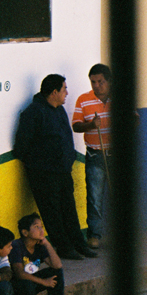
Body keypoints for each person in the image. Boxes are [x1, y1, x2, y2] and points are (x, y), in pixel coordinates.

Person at [14, 74, 96, 260]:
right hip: (44, 173)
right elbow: (21, 147)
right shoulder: (33, 113)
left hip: (63, 171)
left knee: (69, 209)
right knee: (52, 213)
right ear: (54, 92)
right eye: (64, 89)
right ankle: (64, 248)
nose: (67, 93)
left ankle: (78, 244)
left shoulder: (59, 110)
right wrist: (40, 164)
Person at [72, 64, 112, 249]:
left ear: (108, 81)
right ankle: (95, 235)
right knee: (95, 197)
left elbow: (134, 121)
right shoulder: (83, 99)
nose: (96, 85)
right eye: (93, 82)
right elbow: (76, 126)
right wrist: (90, 125)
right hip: (95, 154)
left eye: (100, 82)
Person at [9, 213, 68, 295]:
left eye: (41, 227)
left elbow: (57, 265)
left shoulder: (39, 245)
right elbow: (19, 274)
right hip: (16, 287)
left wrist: (47, 243)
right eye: (36, 227)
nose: (41, 230)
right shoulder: (17, 246)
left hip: (32, 283)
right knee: (25, 281)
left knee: (56, 273)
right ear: (25, 232)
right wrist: (44, 282)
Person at [0, 226, 15, 295]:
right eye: (8, 246)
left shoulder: (3, 257)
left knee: (5, 286)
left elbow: (8, 273)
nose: (11, 248)